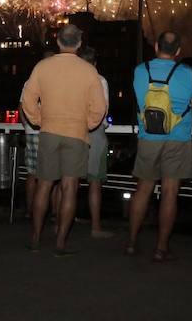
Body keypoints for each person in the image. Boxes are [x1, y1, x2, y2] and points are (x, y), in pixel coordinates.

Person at [22, 24, 107, 255]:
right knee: (70, 188)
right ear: (79, 44)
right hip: (77, 135)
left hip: (49, 132)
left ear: (58, 42)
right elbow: (100, 108)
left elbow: (27, 100)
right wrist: (85, 124)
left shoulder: (42, 66)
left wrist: (40, 120)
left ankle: (36, 238)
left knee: (44, 185)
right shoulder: (89, 71)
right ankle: (60, 243)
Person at [127, 31, 192, 262]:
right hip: (178, 138)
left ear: (156, 46)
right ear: (179, 51)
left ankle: (130, 243)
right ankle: (161, 248)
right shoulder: (188, 73)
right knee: (169, 192)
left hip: (148, 138)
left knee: (143, 190)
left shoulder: (140, 71)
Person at [78, 46, 113, 239]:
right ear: (95, 63)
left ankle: (59, 223)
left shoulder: (71, 81)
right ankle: (96, 227)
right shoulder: (100, 81)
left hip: (72, 132)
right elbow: (103, 111)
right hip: (95, 134)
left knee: (66, 181)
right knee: (95, 182)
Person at [20, 50, 55, 220]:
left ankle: (30, 211)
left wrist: (27, 126)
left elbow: (22, 107)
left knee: (33, 175)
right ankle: (51, 213)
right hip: (50, 132)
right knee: (52, 175)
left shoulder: (30, 82)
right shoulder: (56, 82)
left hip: (33, 132)